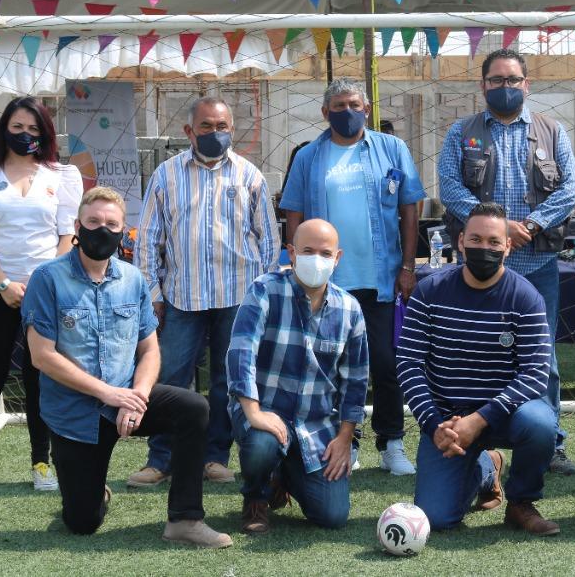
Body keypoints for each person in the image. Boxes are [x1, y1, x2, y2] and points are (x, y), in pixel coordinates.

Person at [22, 187, 231, 547]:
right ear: (77, 226)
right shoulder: (47, 278)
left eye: (111, 224)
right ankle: (94, 492)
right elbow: (42, 356)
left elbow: (150, 350)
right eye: (93, 222)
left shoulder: (133, 279)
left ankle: (184, 519)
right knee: (82, 522)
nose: (101, 230)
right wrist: (110, 394)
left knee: (194, 407)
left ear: (123, 232)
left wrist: (137, 396)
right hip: (75, 415)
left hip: (125, 401)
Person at [437, 48, 575, 475]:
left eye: (512, 80)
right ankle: (471, 434)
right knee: (472, 354)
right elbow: (450, 187)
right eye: (496, 80)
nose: (505, 87)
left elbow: (569, 189)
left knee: (545, 360)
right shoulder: (462, 133)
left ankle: (549, 443)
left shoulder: (552, 131)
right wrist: (498, 231)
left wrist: (530, 226)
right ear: (483, 86)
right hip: (479, 269)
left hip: (538, 265)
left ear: (526, 84)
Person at [127, 97, 279, 490]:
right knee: (171, 379)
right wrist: (153, 292)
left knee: (229, 381)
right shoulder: (166, 175)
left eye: (222, 126)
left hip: (238, 298)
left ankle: (215, 457)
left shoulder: (250, 176)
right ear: (189, 131)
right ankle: (161, 459)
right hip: (182, 298)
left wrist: (262, 295)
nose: (216, 133)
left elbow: (268, 242)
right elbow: (148, 239)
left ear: (233, 128)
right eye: (207, 126)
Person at [280, 78, 426, 476]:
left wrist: (408, 266)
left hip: (380, 278)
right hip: (325, 282)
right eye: (339, 105)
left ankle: (392, 442)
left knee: (386, 362)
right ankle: (346, 441)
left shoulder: (391, 148)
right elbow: (292, 210)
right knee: (333, 365)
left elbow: (410, 207)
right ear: (325, 112)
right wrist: (298, 263)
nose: (348, 112)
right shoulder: (309, 156)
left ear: (367, 107)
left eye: (355, 104)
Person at [398, 202, 560, 536]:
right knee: (437, 520)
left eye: (493, 242)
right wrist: (433, 425)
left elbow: (535, 373)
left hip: (505, 415)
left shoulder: (526, 297)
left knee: (541, 422)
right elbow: (409, 363)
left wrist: (480, 418)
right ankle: (488, 467)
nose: (483, 248)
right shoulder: (429, 292)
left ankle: (521, 503)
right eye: (475, 239)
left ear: (508, 246)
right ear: (460, 242)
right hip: (448, 419)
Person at [0, 96, 82, 495]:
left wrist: (44, 283)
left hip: (45, 293)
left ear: (45, 133)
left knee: (40, 376)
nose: (25, 136)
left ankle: (42, 461)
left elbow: (66, 234)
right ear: (2, 130)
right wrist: (5, 284)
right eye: (17, 128)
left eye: (33, 129)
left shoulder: (61, 175)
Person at [227, 219, 369, 534]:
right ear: (291, 253)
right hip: (264, 411)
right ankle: (256, 497)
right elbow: (241, 353)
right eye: (307, 251)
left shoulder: (350, 310)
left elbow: (356, 382)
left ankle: (285, 475)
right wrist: (254, 412)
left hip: (316, 426)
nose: (316, 259)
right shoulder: (264, 289)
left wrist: (345, 438)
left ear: (337, 257)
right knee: (261, 443)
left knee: (332, 516)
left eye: (324, 252)